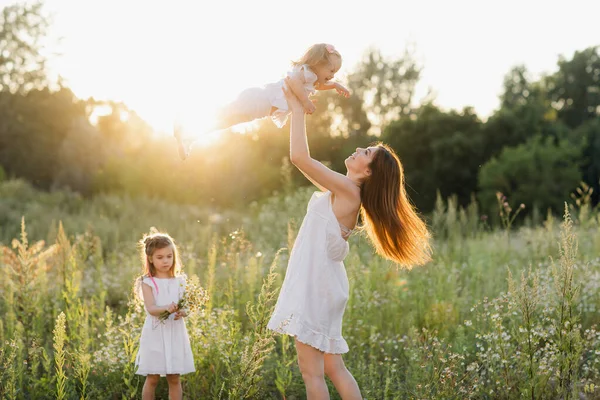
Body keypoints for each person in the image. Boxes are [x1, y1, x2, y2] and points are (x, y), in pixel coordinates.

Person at [267, 78, 432, 399]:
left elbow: (300, 157)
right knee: (332, 368)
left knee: (311, 371)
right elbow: (306, 166)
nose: (358, 150)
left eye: (365, 152)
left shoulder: (347, 191)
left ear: (368, 172)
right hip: (324, 286)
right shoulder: (343, 190)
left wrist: (298, 108)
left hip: (317, 288)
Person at [174, 43, 350, 159]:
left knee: (224, 122)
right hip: (258, 100)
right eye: (331, 70)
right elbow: (294, 82)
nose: (332, 75)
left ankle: (189, 137)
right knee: (224, 114)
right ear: (317, 62)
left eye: (335, 73)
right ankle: (186, 122)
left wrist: (334, 85)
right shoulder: (305, 73)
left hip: (259, 109)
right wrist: (305, 102)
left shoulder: (310, 78)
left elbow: (318, 86)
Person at [134, 230, 195, 400]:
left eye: (169, 256)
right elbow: (151, 309)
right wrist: (167, 309)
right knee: (152, 377)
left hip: (175, 331)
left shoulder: (180, 280)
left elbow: (186, 305)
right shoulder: (147, 282)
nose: (166, 261)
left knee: (174, 377)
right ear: (150, 259)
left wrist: (182, 312)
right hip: (155, 333)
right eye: (160, 257)